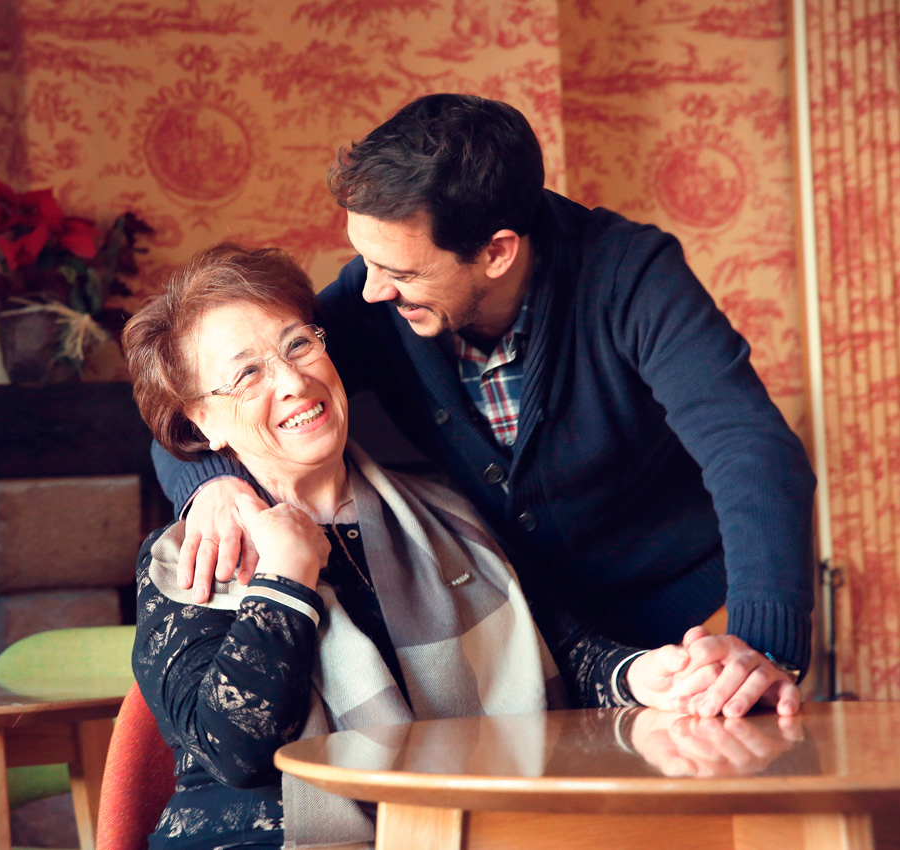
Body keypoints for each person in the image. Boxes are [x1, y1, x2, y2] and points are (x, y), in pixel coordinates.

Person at [153, 94, 816, 715]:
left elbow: (749, 450)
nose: (370, 291)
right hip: (533, 633)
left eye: (401, 273)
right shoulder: (376, 296)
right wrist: (212, 484)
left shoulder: (632, 275)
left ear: (497, 252)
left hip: (693, 619)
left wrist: (762, 648)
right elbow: (200, 404)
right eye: (365, 259)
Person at [122, 244, 798, 850]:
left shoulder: (447, 511)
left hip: (468, 828)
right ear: (201, 421)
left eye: (298, 344)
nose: (292, 382)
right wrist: (283, 580)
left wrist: (646, 675)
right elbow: (235, 753)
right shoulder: (189, 557)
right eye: (246, 375)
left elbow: (560, 647)